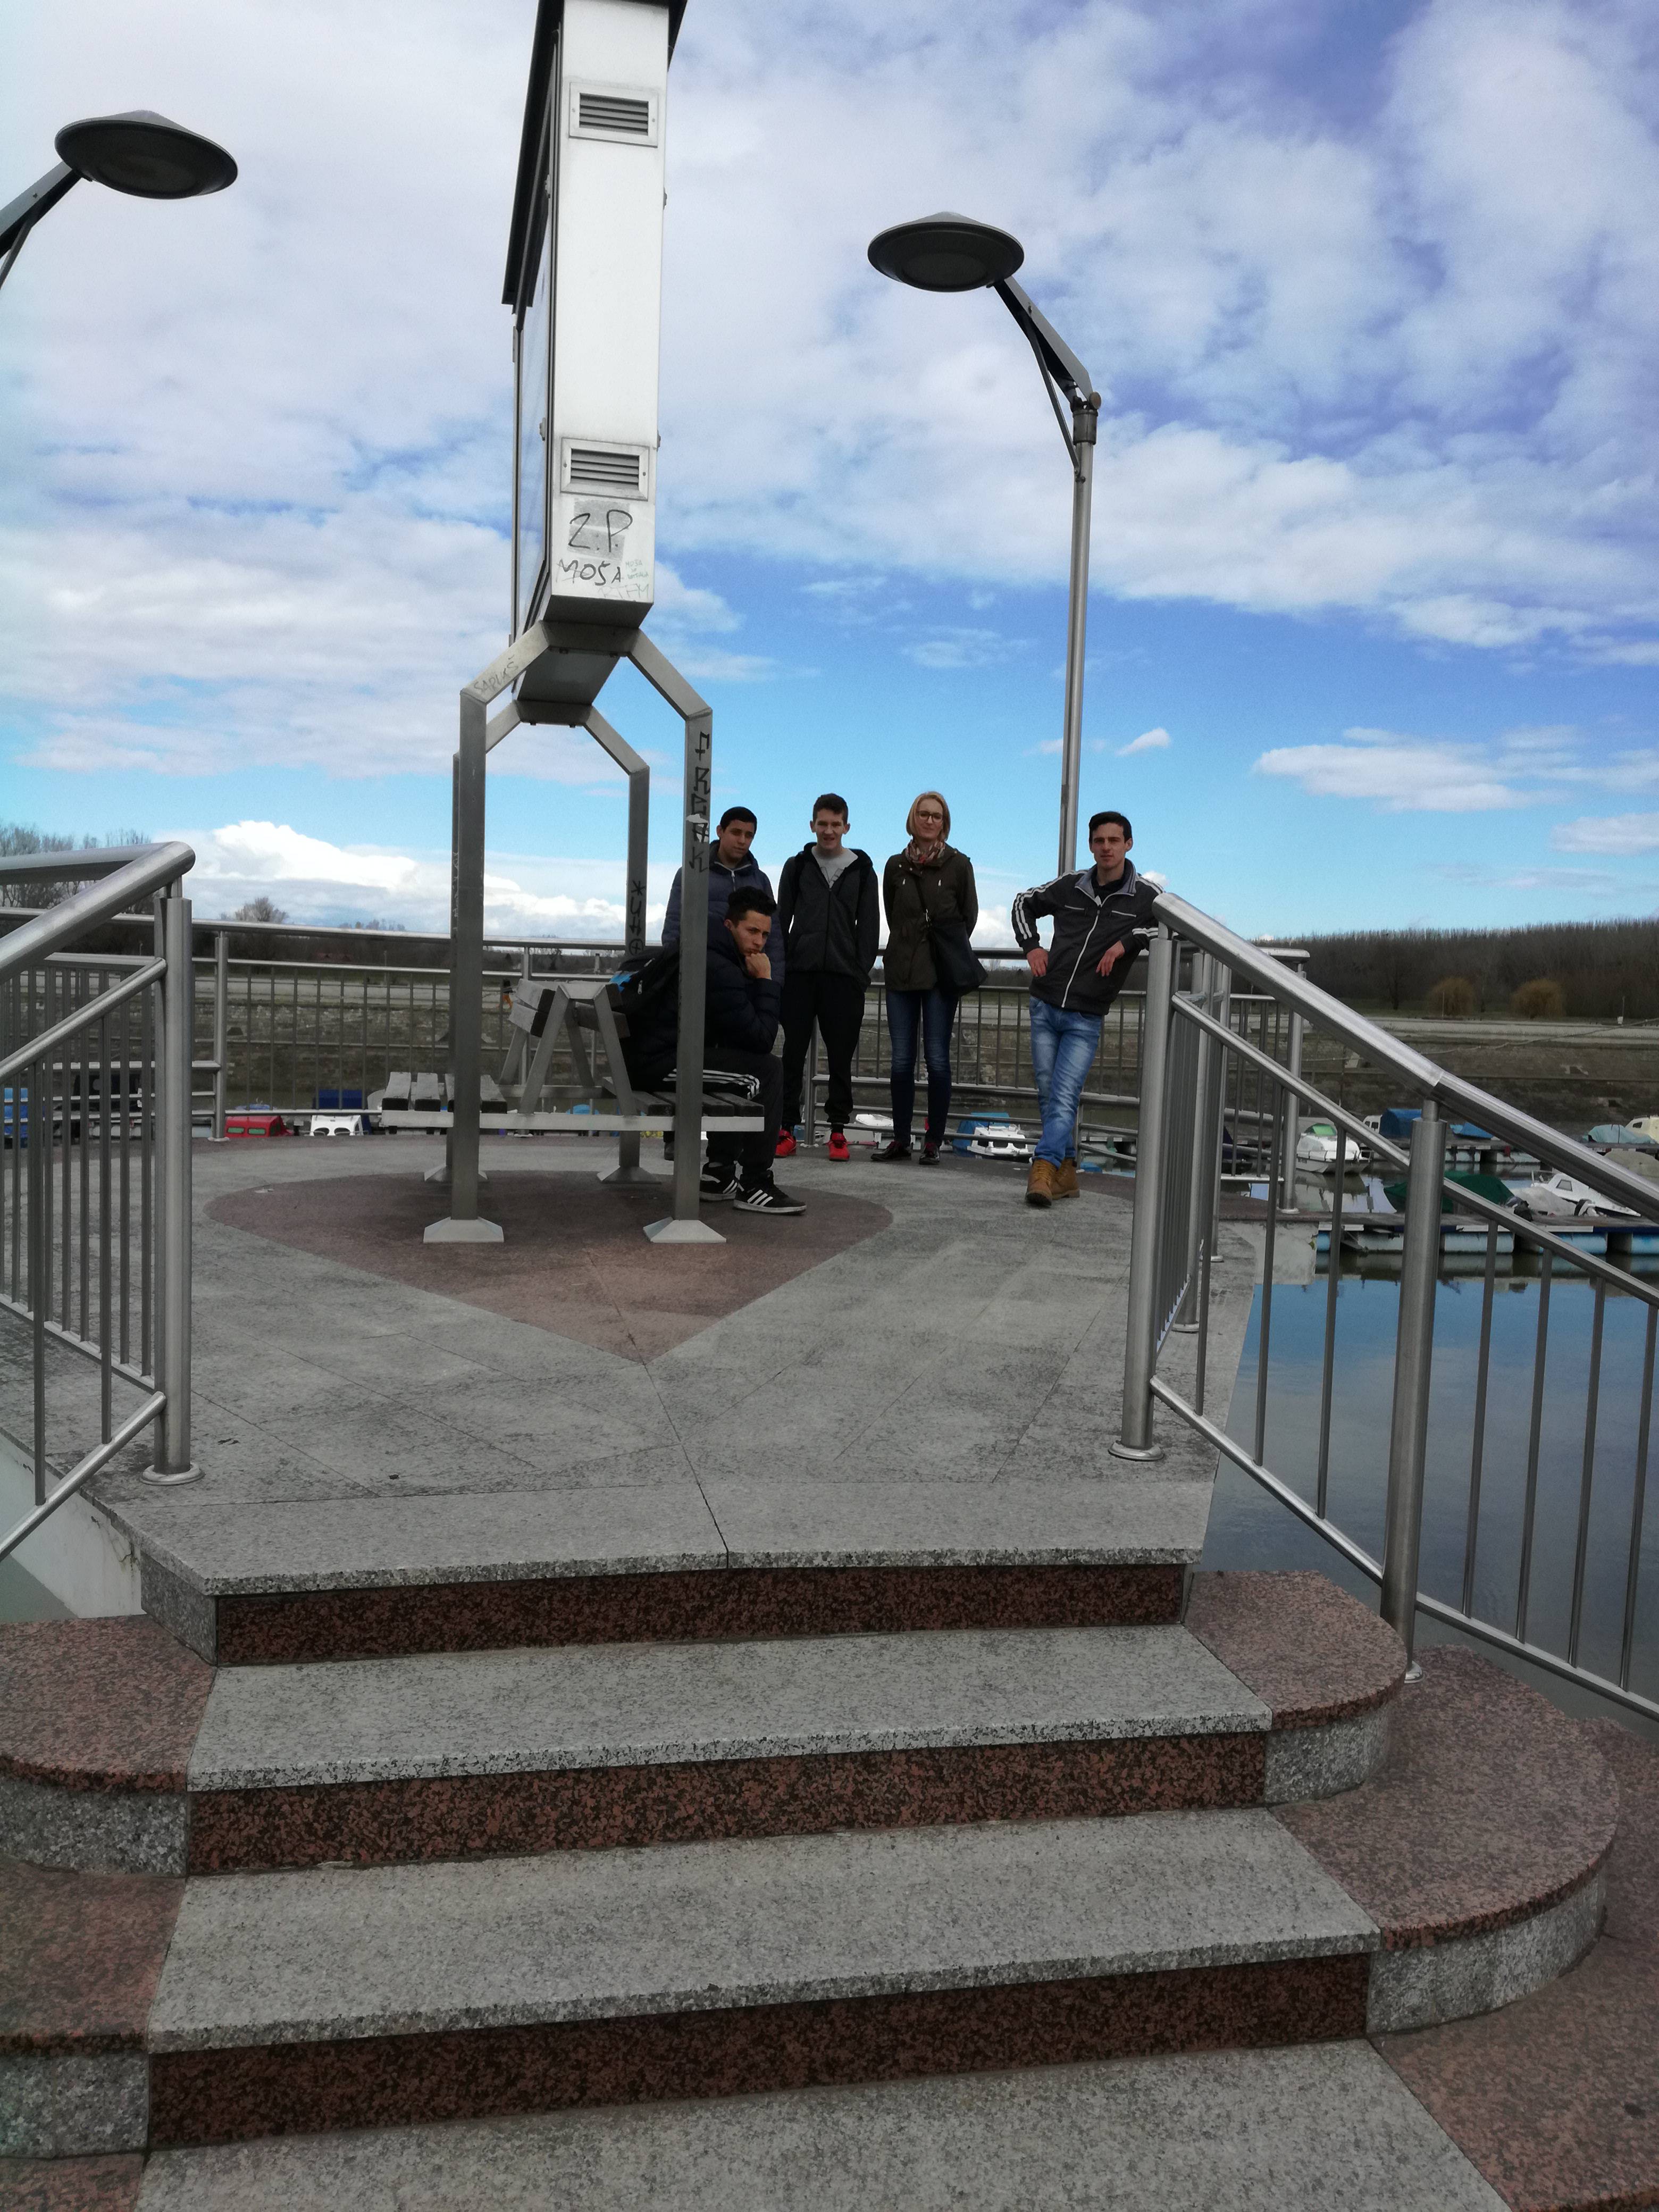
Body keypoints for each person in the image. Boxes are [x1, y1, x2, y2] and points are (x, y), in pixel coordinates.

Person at [624, 885, 805, 1214]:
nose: (759, 942)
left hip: (651, 1057)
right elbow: (762, 1039)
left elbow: (741, 1035)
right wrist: (765, 982)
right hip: (659, 1064)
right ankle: (755, 1184)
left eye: (765, 935)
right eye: (752, 931)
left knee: (743, 1064)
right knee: (767, 1072)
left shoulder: (707, 949)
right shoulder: (719, 966)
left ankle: (720, 1174)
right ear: (729, 926)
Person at [1011, 809, 1157, 1208]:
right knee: (1049, 1093)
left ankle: (1042, 1168)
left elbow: (1173, 926)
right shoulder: (1071, 885)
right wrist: (1032, 946)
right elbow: (1022, 903)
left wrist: (1129, 941)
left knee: (1063, 1095)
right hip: (1045, 1004)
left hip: (1085, 1016)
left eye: (1114, 840)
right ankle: (1067, 1171)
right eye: (1099, 841)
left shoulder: (1146, 896)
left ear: (1128, 844)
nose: (1106, 848)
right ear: (1091, 846)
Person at [660, 806, 782, 1165]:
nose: (743, 841)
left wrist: (771, 980)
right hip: (709, 985)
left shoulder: (758, 879)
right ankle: (742, 1170)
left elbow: (773, 937)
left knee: (742, 1059)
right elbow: (675, 926)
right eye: (737, 833)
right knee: (757, 1068)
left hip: (741, 988)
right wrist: (684, 971)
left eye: (749, 835)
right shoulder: (693, 872)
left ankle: (722, 1163)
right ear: (720, 831)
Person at [872, 791, 978, 1164]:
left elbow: (968, 918)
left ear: (944, 822)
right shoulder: (895, 866)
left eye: (937, 816)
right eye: (924, 814)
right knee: (901, 1060)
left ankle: (933, 1142)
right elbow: (893, 915)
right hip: (901, 971)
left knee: (937, 1059)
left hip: (940, 976)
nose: (930, 821)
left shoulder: (959, 865)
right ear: (913, 819)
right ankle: (901, 1139)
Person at [775, 794, 880, 1162]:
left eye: (836, 824)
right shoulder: (797, 866)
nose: (829, 831)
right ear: (812, 826)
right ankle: (786, 1127)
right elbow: (781, 921)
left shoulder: (863, 870)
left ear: (846, 827)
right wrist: (781, 968)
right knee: (792, 1055)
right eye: (823, 824)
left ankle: (838, 1131)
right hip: (800, 975)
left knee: (840, 1059)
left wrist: (858, 974)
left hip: (843, 978)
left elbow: (869, 928)